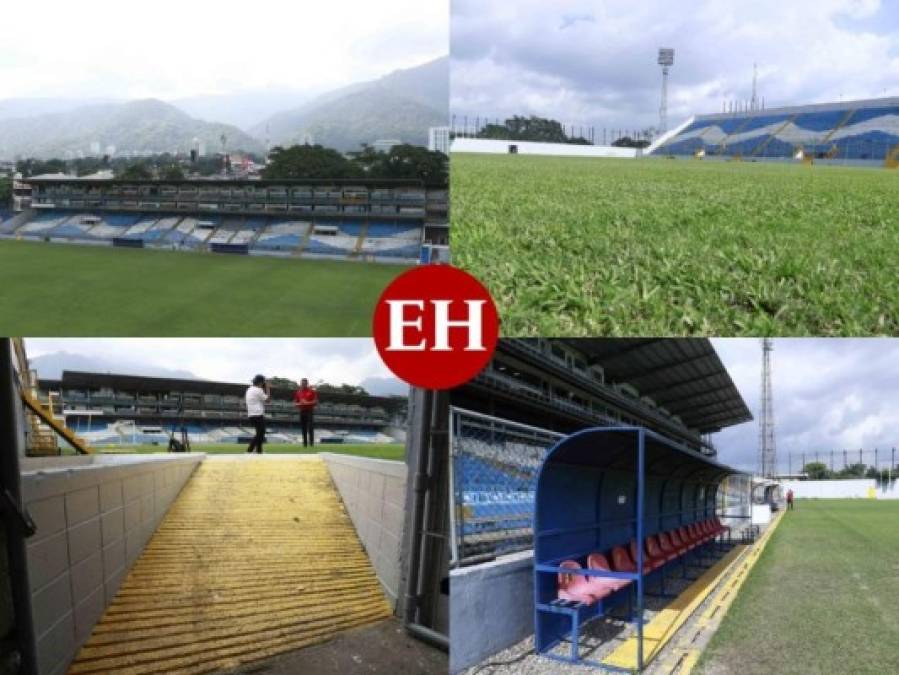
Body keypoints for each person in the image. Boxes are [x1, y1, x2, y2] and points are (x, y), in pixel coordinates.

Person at [245, 374, 270, 454]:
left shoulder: (249, 389)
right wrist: (268, 389)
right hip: (258, 414)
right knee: (261, 433)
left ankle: (259, 451)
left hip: (251, 415)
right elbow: (268, 400)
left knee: (259, 433)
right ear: (261, 382)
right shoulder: (259, 390)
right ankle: (250, 450)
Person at [293, 378, 318, 447]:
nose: (303, 385)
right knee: (303, 428)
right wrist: (300, 403)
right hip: (302, 411)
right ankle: (304, 444)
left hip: (309, 411)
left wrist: (307, 403)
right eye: (302, 383)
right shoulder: (298, 392)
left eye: (304, 383)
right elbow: (295, 403)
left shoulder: (312, 391)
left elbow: (315, 402)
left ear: (307, 384)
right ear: (300, 384)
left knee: (310, 427)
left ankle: (311, 444)